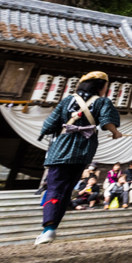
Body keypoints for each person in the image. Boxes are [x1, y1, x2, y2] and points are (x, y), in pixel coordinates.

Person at [35, 71, 122, 244]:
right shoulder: (102, 101)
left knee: (55, 188)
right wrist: (115, 132)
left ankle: (49, 229)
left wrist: (47, 133)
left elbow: (49, 124)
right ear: (100, 86)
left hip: (61, 150)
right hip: (83, 151)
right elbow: (107, 122)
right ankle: (52, 229)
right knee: (66, 190)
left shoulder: (67, 100)